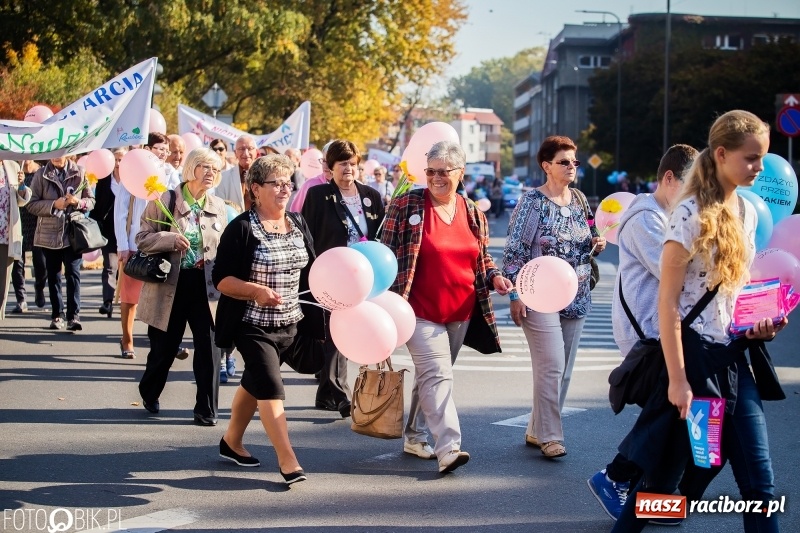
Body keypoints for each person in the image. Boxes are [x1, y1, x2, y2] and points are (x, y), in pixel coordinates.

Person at [613, 110, 788, 532]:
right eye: (751, 158)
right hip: (694, 364)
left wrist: (761, 321)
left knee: (756, 485)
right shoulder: (688, 212)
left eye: (763, 158)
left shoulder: (746, 211)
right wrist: (677, 380)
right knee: (670, 476)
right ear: (722, 154)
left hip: (734, 357)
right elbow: (668, 302)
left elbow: (732, 292)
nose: (759, 168)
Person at [380, 140, 513, 473]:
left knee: (432, 377)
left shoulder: (472, 212)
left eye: (443, 172)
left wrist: (495, 276)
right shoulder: (407, 204)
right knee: (438, 376)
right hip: (418, 310)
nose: (436, 178)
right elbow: (383, 251)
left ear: (460, 172)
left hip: (462, 311)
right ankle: (449, 447)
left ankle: (414, 436)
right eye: (430, 171)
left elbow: (481, 257)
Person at [587, 144, 698, 521]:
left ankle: (652, 498)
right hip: (650, 335)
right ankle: (615, 477)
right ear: (668, 179)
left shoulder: (668, 215)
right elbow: (673, 272)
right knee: (666, 416)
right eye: (690, 187)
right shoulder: (646, 219)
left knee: (671, 418)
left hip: (666, 332)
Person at [502, 135, 606, 459]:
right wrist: (516, 295)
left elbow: (590, 230)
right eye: (564, 161)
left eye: (574, 161)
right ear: (546, 166)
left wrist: (597, 241)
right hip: (538, 294)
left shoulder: (578, 199)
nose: (571, 166)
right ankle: (551, 436)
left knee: (564, 370)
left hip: (577, 293)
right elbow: (514, 250)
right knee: (551, 365)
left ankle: (536, 428)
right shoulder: (532, 202)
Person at [212, 154, 311, 485]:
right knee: (270, 385)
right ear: (255, 188)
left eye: (288, 182)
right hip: (251, 323)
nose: (285, 189)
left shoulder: (298, 222)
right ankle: (288, 459)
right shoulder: (241, 228)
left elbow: (311, 269)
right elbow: (222, 280)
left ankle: (231, 442)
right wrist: (255, 290)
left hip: (291, 323)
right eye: (276, 183)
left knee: (254, 382)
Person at [136, 147, 227, 426]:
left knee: (210, 349)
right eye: (205, 167)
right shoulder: (165, 199)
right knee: (164, 349)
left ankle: (206, 408)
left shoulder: (218, 205)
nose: (211, 173)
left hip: (206, 286)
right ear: (191, 169)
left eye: (215, 169)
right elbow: (142, 238)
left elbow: (222, 243)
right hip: (171, 285)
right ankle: (149, 391)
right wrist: (169, 239)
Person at [301, 140, 385, 418]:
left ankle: (327, 393)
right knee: (333, 332)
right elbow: (307, 234)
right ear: (330, 168)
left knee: (347, 331)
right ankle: (339, 393)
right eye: (342, 164)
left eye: (352, 163)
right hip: (332, 273)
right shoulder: (318, 195)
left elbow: (379, 235)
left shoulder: (371, 195)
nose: (348, 169)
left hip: (365, 273)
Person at [115, 134, 185, 359]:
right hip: (136, 242)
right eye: (158, 148)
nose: (163, 153)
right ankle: (127, 338)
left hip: (163, 241)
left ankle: (168, 343)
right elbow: (121, 212)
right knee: (130, 296)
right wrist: (122, 245)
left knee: (164, 295)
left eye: (166, 149)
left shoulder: (170, 175)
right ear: (147, 148)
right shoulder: (132, 170)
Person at [27, 156, 96, 331]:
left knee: (73, 273)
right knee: (54, 275)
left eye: (62, 152)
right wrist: (53, 205)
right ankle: (57, 315)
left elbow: (91, 201)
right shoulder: (41, 175)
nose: (58, 156)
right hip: (49, 234)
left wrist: (78, 202)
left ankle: (74, 316)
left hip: (73, 232)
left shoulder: (79, 172)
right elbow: (32, 204)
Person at [89, 147, 127, 319]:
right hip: (109, 232)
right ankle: (108, 301)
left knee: (124, 269)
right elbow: (96, 207)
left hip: (127, 232)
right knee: (110, 266)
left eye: (122, 160)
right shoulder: (103, 181)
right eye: (116, 160)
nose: (119, 164)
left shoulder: (132, 180)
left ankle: (125, 301)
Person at [10, 160, 46, 313]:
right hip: (18, 220)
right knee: (17, 262)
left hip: (38, 222)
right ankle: (21, 298)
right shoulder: (13, 170)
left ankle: (39, 287)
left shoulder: (41, 172)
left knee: (40, 262)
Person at [1, 159, 31, 320]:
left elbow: (21, 200)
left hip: (6, 235)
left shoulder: (12, 166)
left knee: (3, 284)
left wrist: (21, 185)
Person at [216, 135, 257, 216]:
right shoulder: (223, 178)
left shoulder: (265, 176)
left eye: (250, 148)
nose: (246, 153)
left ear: (256, 152)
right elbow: (219, 207)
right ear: (235, 153)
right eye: (241, 149)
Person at [289, 142, 333, 213]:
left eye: (330, 161)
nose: (325, 165)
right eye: (324, 160)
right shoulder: (310, 184)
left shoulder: (351, 185)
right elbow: (295, 212)